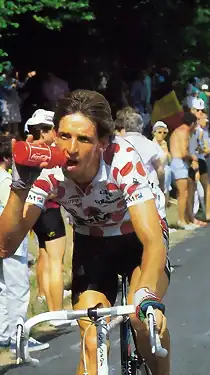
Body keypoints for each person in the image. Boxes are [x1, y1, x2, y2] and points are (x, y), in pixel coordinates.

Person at [0, 90, 171, 375]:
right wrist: (19, 189)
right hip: (93, 244)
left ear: (103, 142)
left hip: (138, 240)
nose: (70, 148)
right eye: (64, 136)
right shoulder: (48, 171)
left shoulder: (123, 161)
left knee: (144, 320)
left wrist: (147, 294)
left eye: (84, 139)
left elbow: (152, 240)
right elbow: (6, 246)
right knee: (92, 340)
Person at [24, 109, 71, 327]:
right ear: (46, 131)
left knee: (43, 254)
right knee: (55, 262)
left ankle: (44, 299)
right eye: (55, 129)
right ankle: (57, 314)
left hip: (32, 208)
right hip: (48, 208)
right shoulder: (51, 153)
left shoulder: (30, 150)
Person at [0, 134, 47, 352]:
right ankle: (18, 339)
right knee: (17, 290)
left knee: (2, 289)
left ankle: (4, 334)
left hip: (6, 242)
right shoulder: (5, 180)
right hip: (12, 244)